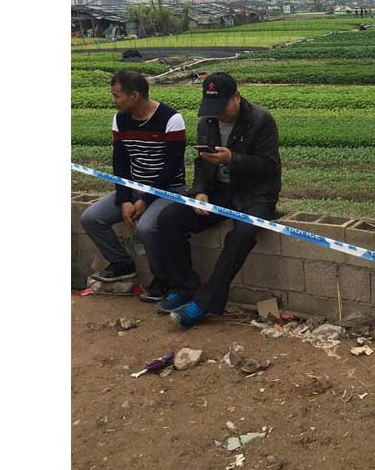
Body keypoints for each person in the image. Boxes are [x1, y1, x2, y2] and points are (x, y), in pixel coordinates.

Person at [155, 73, 281, 328]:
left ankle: (204, 303)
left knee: (242, 234)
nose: (219, 114)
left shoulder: (261, 120)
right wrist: (200, 192)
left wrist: (232, 159)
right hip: (219, 191)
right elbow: (202, 162)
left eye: (223, 107)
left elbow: (269, 166)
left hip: (256, 194)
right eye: (213, 108)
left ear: (237, 97)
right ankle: (184, 286)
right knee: (169, 219)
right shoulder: (207, 122)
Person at [80, 70, 186, 301]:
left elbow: (172, 168)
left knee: (147, 227)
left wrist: (144, 200)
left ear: (134, 96)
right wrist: (125, 198)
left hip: (168, 190)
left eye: (117, 96)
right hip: (134, 188)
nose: (114, 101)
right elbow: (120, 162)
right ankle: (122, 264)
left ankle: (163, 279)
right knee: (91, 218)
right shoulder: (120, 119)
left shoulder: (171, 119)